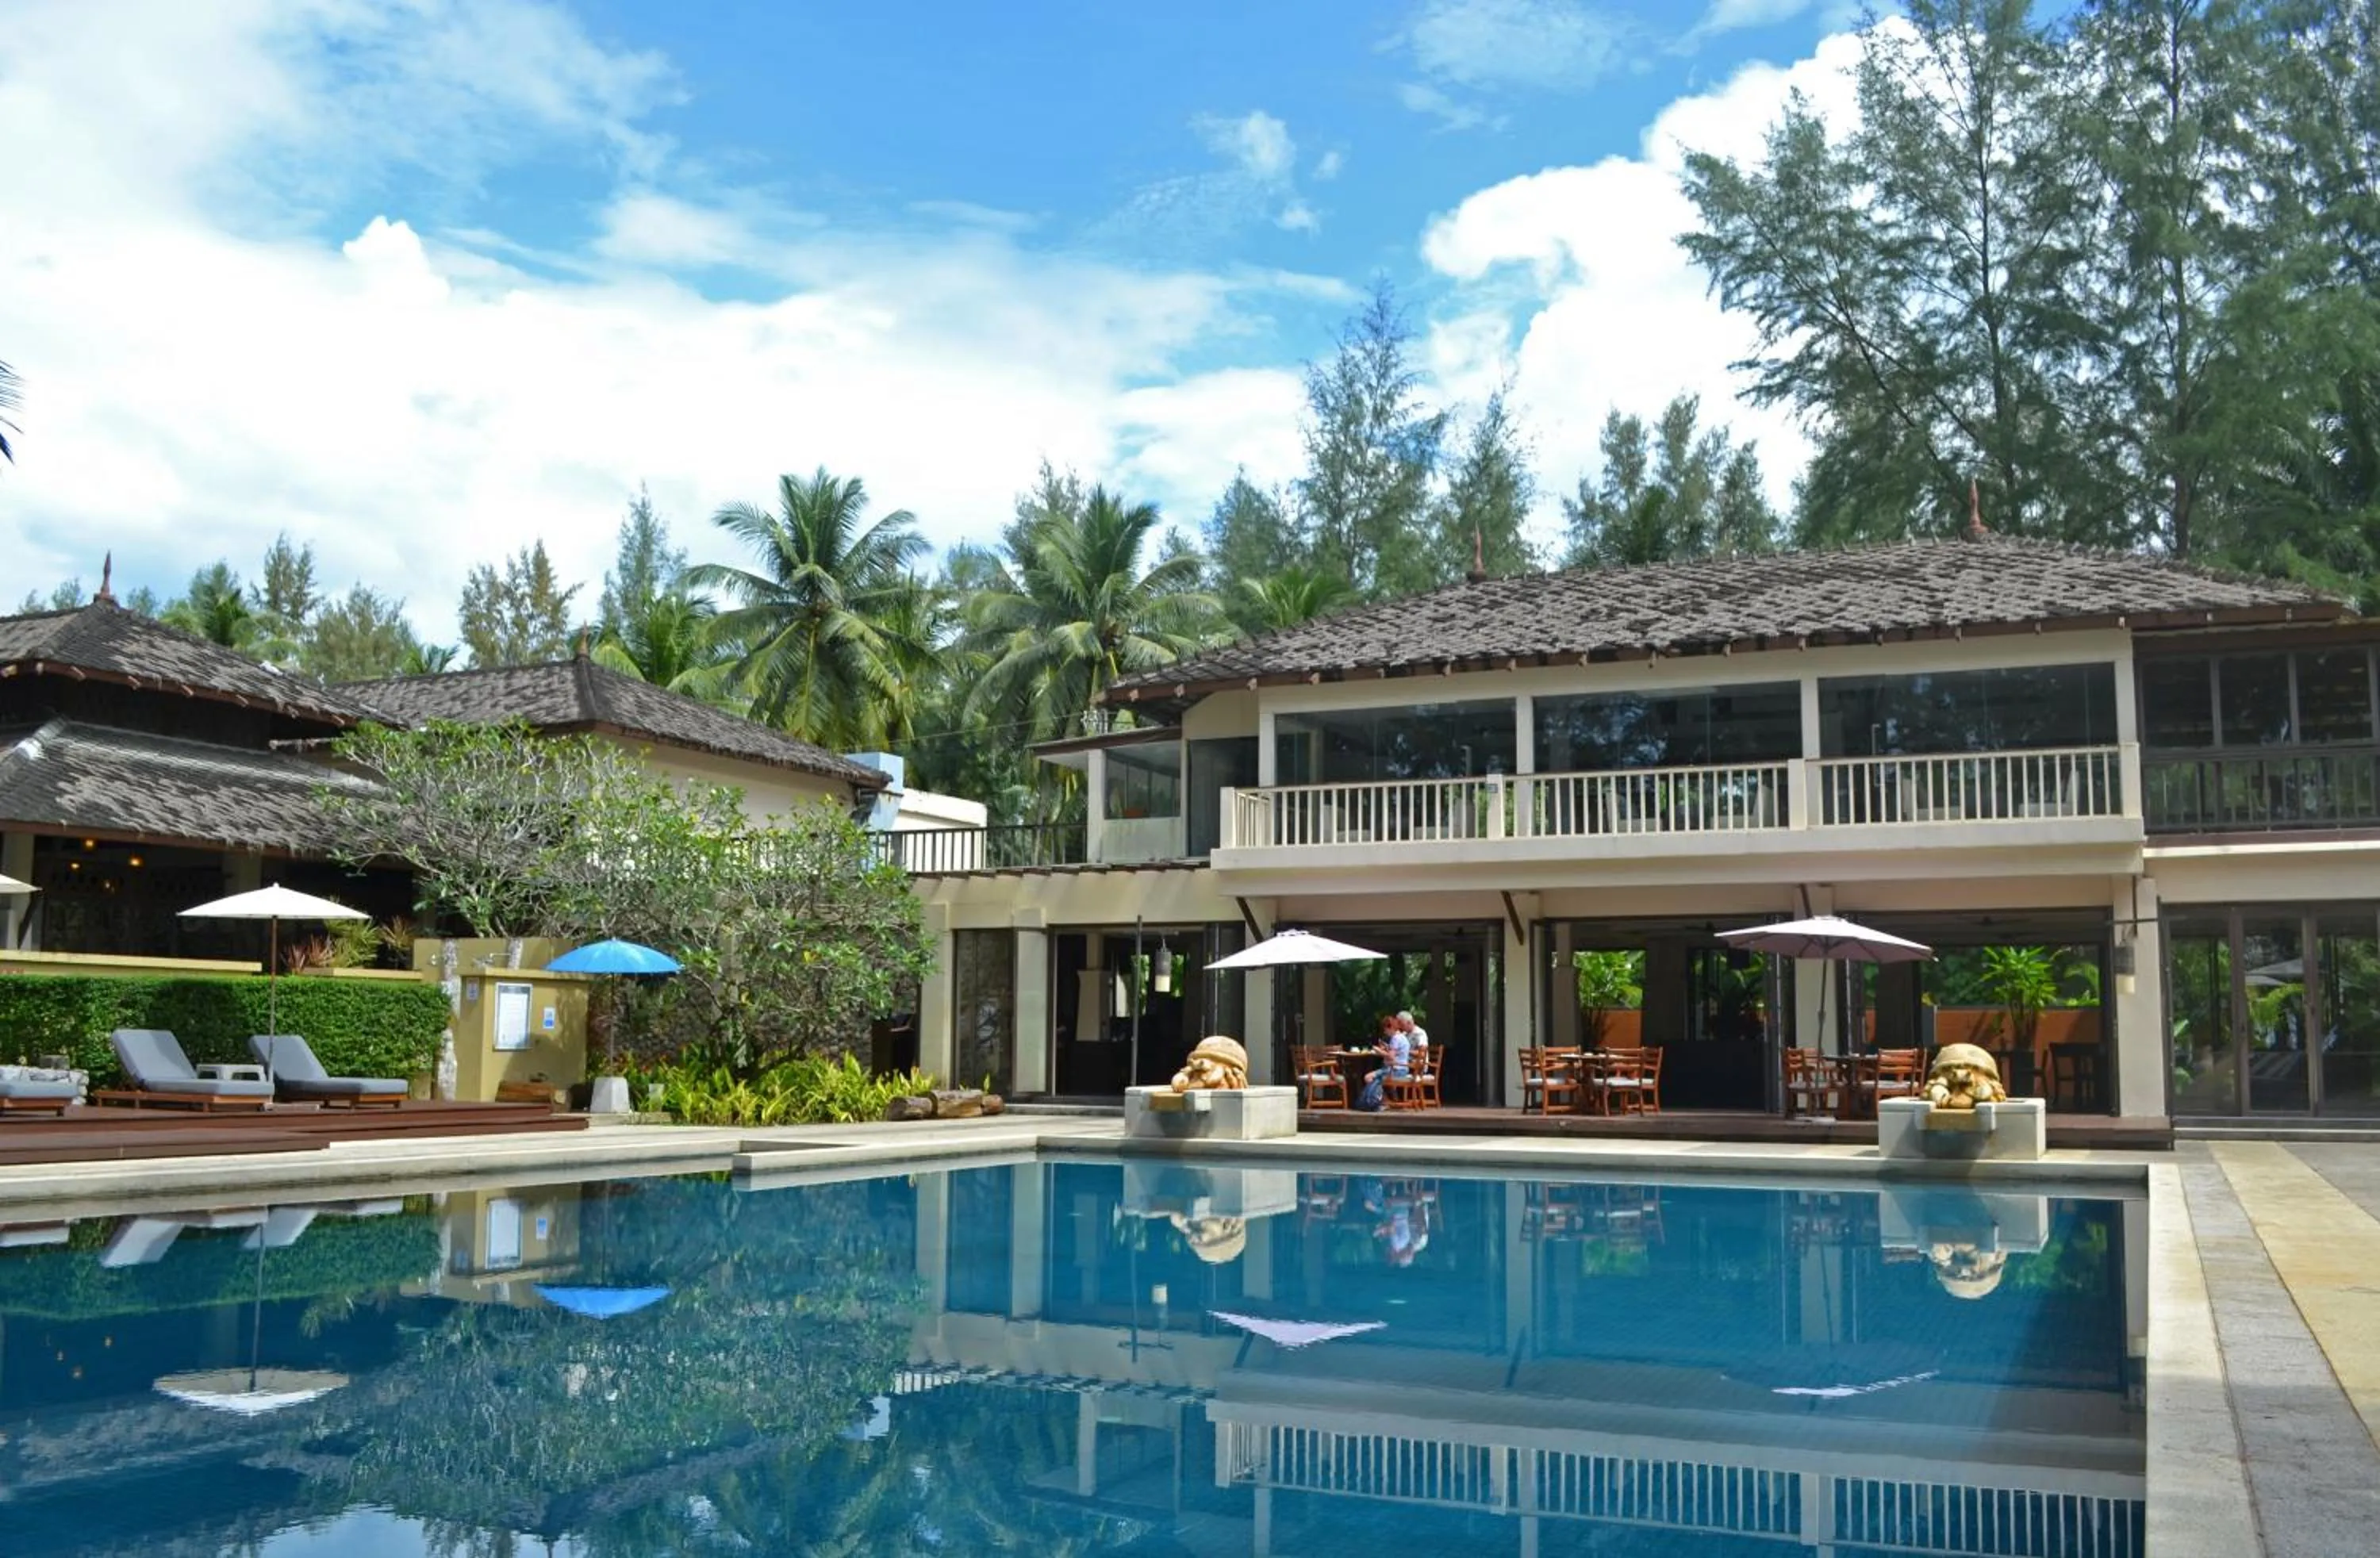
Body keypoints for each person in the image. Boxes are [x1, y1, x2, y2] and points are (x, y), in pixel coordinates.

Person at [1353, 1014, 1410, 1111]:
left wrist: (1378, 1050)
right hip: (1402, 1069)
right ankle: (1385, 1102)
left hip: (1395, 1071)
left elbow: (1391, 1057)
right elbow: (1397, 1053)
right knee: (1373, 1079)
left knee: (1368, 1077)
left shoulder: (1395, 1038)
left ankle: (1380, 1102)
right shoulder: (1402, 1037)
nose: (1384, 1032)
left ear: (1390, 1027)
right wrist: (1387, 1048)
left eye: (1385, 1029)